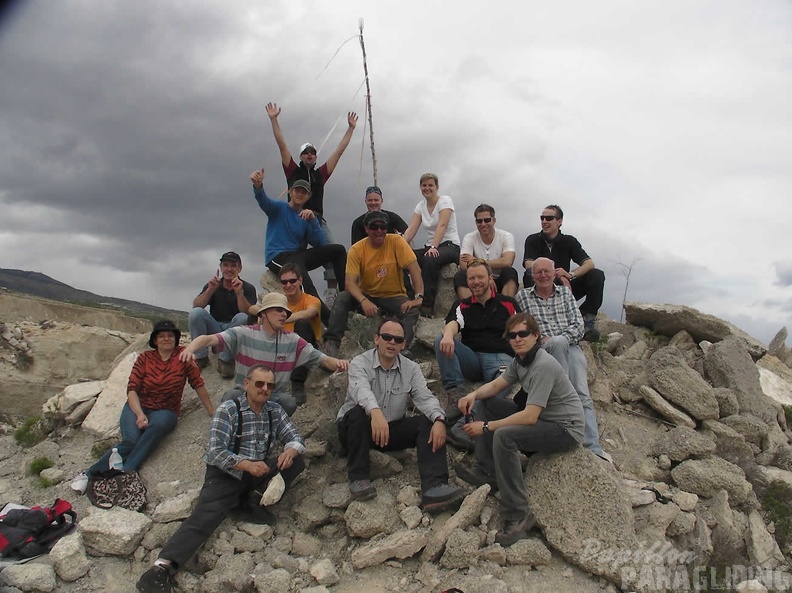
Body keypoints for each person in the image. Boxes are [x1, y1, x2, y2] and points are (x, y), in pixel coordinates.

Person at [135, 365, 305, 593]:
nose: (265, 389)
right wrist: (246, 464)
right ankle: (160, 570)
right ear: (247, 384)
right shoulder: (229, 410)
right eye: (260, 384)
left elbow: (295, 437)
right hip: (227, 474)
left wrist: (290, 450)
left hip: (257, 471)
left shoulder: (274, 411)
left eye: (270, 385)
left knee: (296, 461)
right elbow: (216, 451)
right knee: (206, 517)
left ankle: (249, 502)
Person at [455, 313, 584, 547]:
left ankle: (518, 513)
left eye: (523, 334)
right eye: (512, 335)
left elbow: (529, 415)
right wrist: (472, 394)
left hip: (565, 429)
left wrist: (485, 426)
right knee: (489, 402)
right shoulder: (520, 360)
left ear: (535, 336)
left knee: (505, 435)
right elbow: (497, 385)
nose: (517, 339)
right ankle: (488, 471)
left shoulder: (543, 364)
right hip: (545, 420)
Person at [71, 320, 214, 494]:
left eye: (170, 336)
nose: (166, 339)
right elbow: (132, 389)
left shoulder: (183, 355)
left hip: (165, 410)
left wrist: (212, 410)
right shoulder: (145, 358)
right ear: (155, 340)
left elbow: (197, 383)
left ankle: (127, 470)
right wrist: (139, 414)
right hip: (139, 406)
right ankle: (88, 474)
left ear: (176, 339)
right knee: (130, 441)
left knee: (158, 425)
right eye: (162, 336)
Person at [337, 319, 466, 512]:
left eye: (397, 339)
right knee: (358, 412)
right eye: (386, 337)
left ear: (403, 344)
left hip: (389, 430)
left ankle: (434, 488)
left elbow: (425, 397)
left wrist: (439, 419)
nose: (391, 342)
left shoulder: (410, 369)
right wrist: (375, 411)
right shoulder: (359, 363)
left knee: (428, 422)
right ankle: (359, 478)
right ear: (376, 339)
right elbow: (360, 390)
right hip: (356, 430)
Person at [179, 293, 348, 416]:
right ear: (263, 314)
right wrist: (190, 348)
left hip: (272, 396)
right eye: (278, 310)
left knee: (289, 403)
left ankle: (268, 429)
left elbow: (323, 360)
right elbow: (208, 340)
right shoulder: (243, 333)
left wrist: (346, 364)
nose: (283, 314)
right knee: (230, 397)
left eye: (286, 312)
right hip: (244, 393)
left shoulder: (293, 341)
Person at [266, 102, 358, 306]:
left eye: (313, 152)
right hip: (296, 219)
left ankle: (336, 294)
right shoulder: (293, 172)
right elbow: (282, 145)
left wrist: (350, 129)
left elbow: (338, 152)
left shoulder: (320, 175)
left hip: (316, 220)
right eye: (306, 152)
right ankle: (300, 298)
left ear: (316, 157)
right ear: (300, 156)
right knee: (296, 261)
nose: (310, 155)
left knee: (334, 251)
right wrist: (274, 119)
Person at [515, 257, 607, 459]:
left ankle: (593, 448)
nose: (542, 275)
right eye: (538, 272)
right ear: (533, 276)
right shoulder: (523, 298)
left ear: (554, 272)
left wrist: (559, 340)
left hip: (571, 347)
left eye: (546, 271)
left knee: (582, 393)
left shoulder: (565, 293)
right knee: (571, 392)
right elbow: (522, 329)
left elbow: (578, 325)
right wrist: (543, 342)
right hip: (543, 351)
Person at [434, 259, 519, 451]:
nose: (476, 282)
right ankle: (456, 395)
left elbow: (520, 329)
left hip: (500, 358)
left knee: (495, 390)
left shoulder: (508, 303)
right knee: (441, 340)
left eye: (480, 277)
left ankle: (463, 428)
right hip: (472, 358)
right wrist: (448, 336)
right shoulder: (462, 305)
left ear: (490, 279)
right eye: (471, 278)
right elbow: (453, 322)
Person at [251, 168, 346, 324]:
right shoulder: (279, 208)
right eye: (297, 190)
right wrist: (258, 186)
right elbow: (264, 201)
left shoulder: (306, 216)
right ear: (290, 192)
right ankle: (328, 319)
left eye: (304, 192)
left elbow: (320, 244)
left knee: (338, 250)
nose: (300, 194)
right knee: (302, 277)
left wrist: (313, 221)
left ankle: (345, 296)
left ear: (308, 196)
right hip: (278, 256)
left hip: (298, 256)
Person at [323, 210, 424, 357]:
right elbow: (349, 283)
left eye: (382, 227)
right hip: (368, 294)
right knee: (343, 297)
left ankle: (402, 347)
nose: (379, 231)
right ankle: (331, 343)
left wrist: (418, 297)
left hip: (393, 295)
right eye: (374, 227)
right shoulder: (356, 249)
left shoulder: (397, 241)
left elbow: (414, 269)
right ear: (366, 229)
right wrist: (363, 300)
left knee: (411, 310)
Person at [522, 205, 605, 341]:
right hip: (543, 286)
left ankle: (586, 321)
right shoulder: (533, 239)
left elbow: (589, 263)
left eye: (549, 218)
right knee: (529, 275)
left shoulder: (569, 241)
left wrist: (570, 274)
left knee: (597, 275)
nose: (544, 221)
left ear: (559, 221)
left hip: (565, 289)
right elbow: (528, 264)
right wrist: (555, 273)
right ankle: (538, 324)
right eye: (542, 218)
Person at [188, 251, 257, 376]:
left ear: (239, 268)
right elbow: (197, 306)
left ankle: (225, 359)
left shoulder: (248, 288)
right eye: (226, 265)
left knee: (242, 317)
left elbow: (248, 312)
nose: (229, 269)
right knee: (196, 313)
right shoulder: (214, 285)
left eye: (233, 265)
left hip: (234, 330)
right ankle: (201, 357)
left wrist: (239, 293)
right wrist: (210, 290)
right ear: (221, 267)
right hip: (216, 327)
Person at [402, 173, 460, 317]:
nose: (427, 188)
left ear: (436, 187)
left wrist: (434, 246)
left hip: (449, 245)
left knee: (429, 259)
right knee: (405, 259)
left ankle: (427, 305)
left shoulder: (445, 201)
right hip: (430, 247)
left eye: (430, 185)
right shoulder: (420, 206)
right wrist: (399, 248)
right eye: (424, 185)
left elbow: (442, 225)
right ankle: (409, 297)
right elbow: (411, 229)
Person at [277, 263, 322, 405]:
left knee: (302, 323)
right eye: (284, 282)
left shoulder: (311, 300)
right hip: (284, 348)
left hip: (307, 347)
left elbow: (310, 312)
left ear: (300, 281)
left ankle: (297, 383)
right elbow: (254, 309)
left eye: (292, 281)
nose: (288, 285)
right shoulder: (279, 302)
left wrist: (280, 318)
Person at [454, 204, 519, 299]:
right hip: (478, 280)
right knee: (460, 276)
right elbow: (464, 265)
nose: (483, 224)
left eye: (487, 220)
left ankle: (506, 307)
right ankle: (470, 309)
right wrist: (486, 277)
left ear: (494, 220)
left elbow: (507, 262)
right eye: (479, 221)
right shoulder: (469, 238)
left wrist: (477, 261)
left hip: (499, 280)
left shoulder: (506, 236)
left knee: (510, 272)